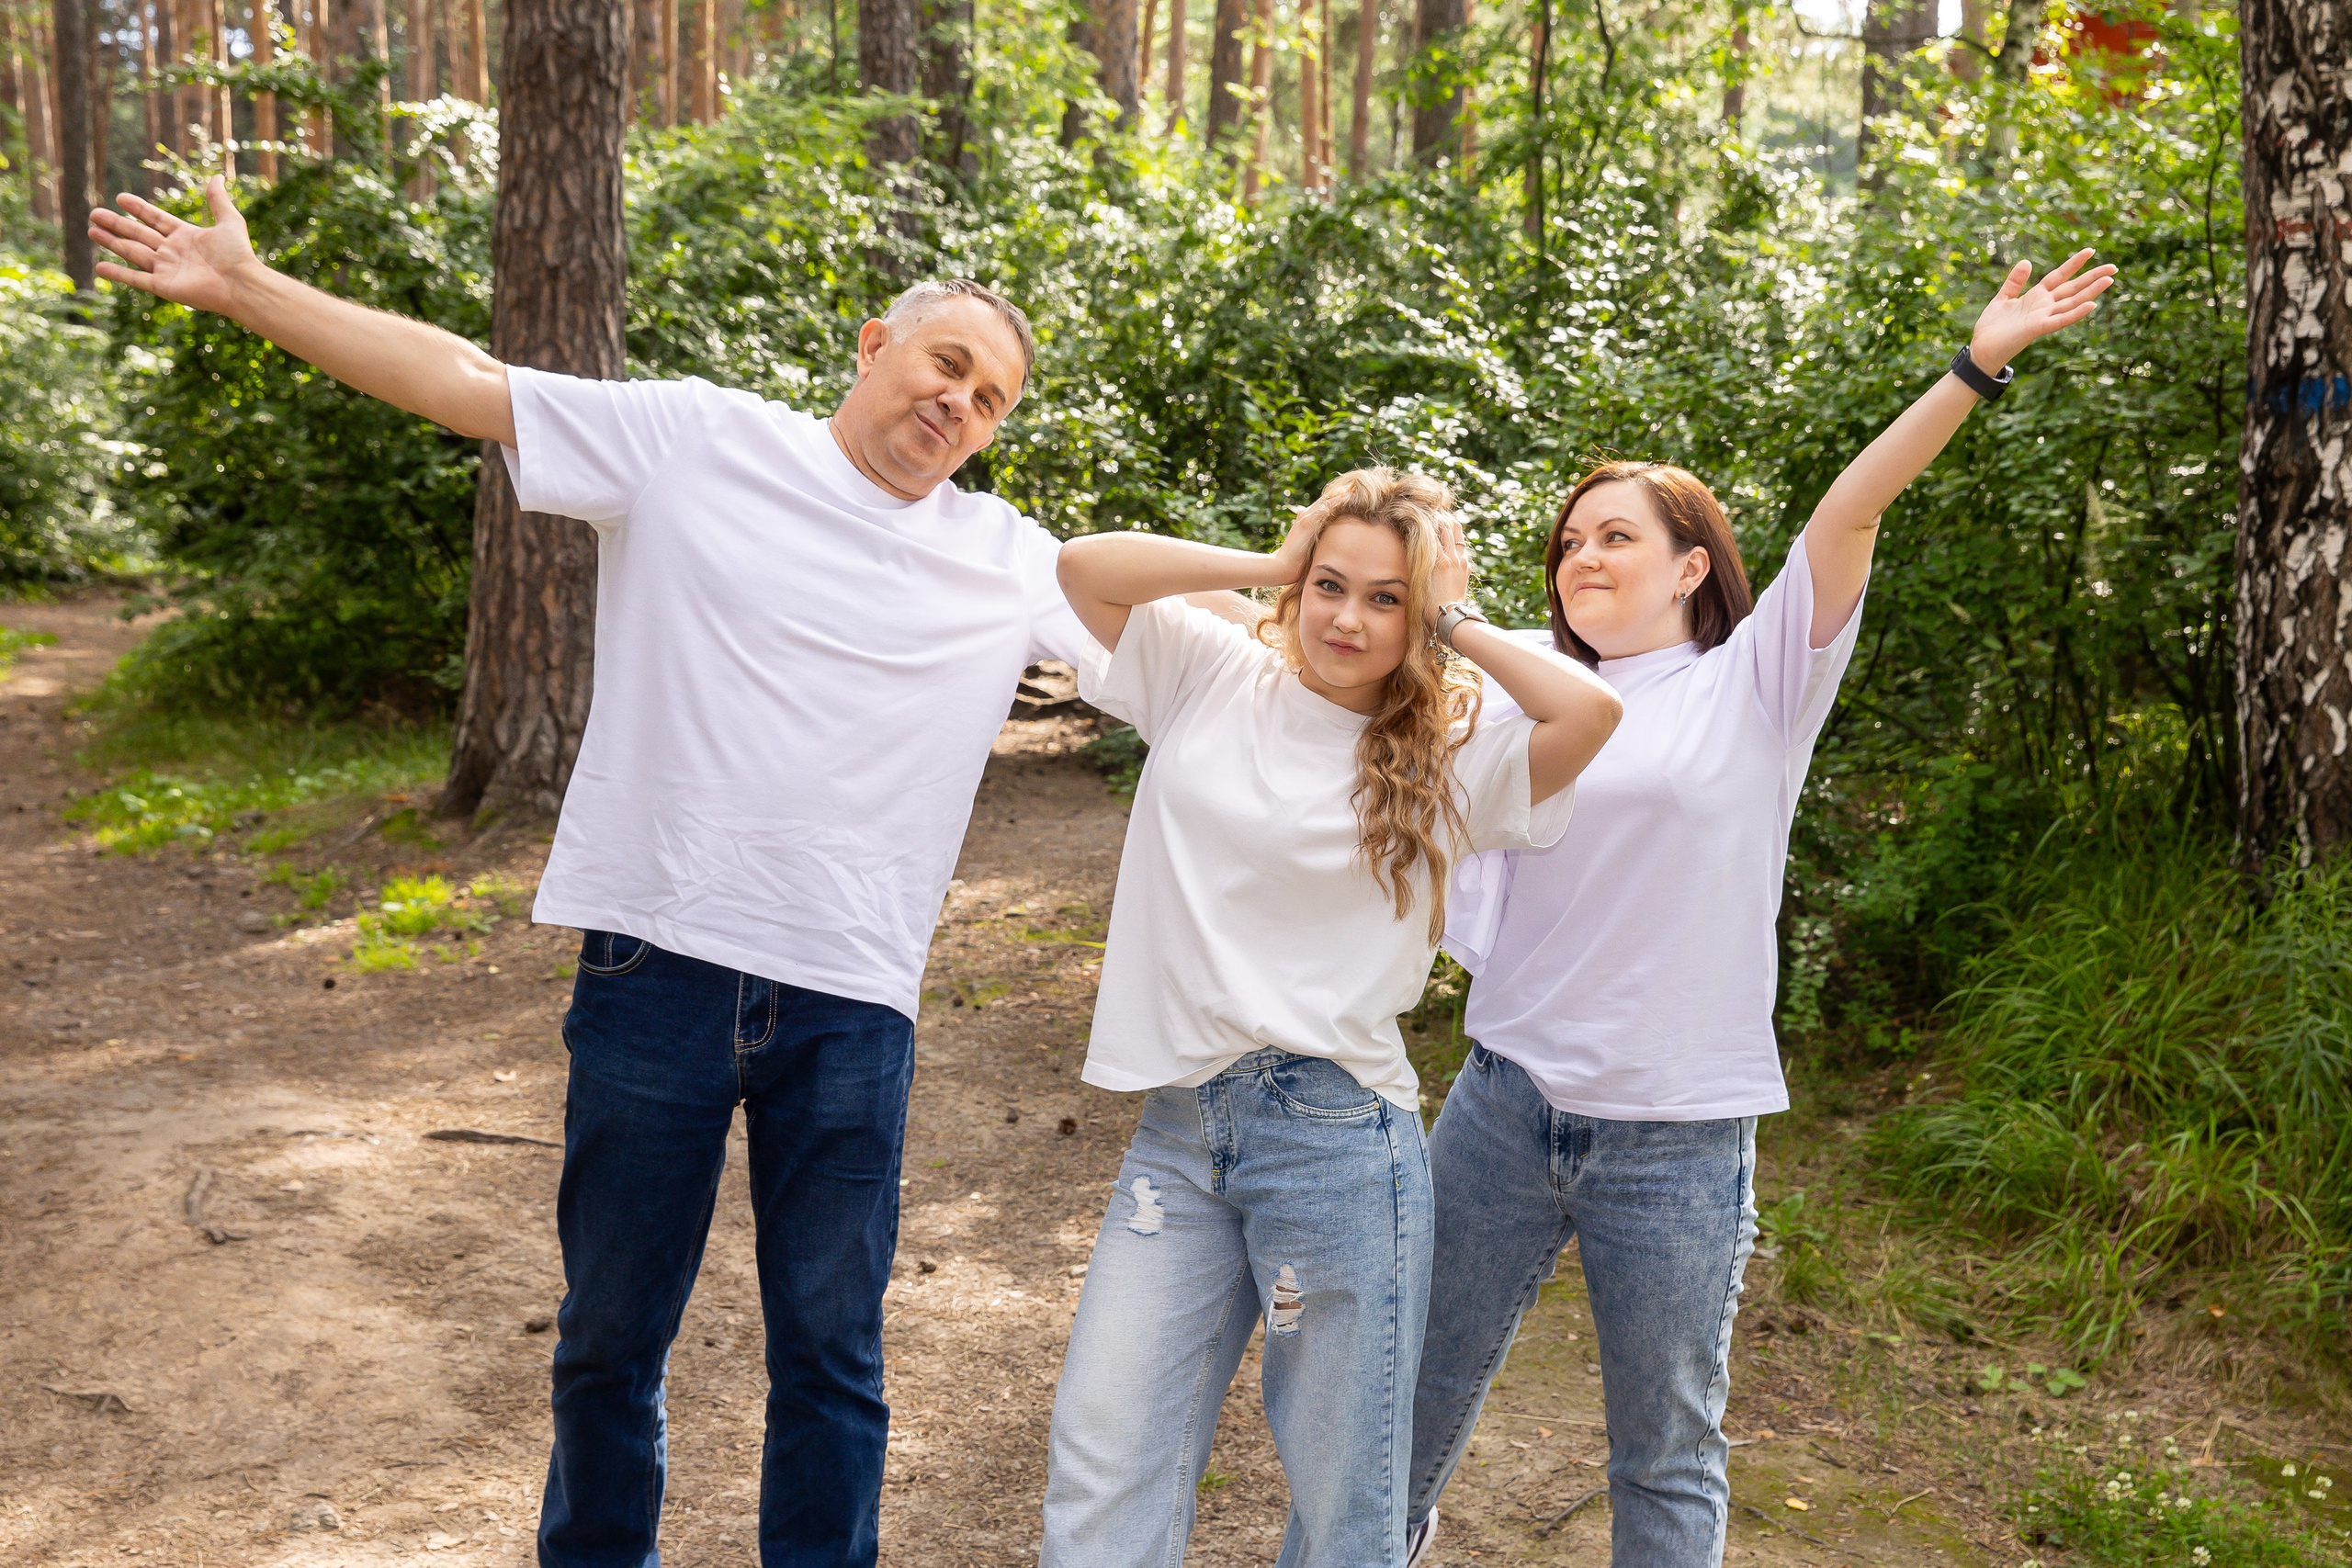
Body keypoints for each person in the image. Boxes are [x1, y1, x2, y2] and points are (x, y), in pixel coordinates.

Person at [89, 177, 1089, 1568]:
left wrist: (1368, 601)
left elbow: (1208, 648)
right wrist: (247, 288)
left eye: (992, 401)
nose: (960, 407)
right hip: (657, 963)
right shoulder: (698, 439)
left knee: (834, 1356)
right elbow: (465, 382)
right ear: (874, 344)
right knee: (610, 1338)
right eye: (948, 365)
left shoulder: (1009, 557)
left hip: (854, 996)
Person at [1402, 251, 2120, 1567]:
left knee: (1666, 1455)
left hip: (1677, 1137)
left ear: (1691, 568)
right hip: (1504, 1103)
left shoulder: (1755, 687)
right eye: (1568, 538)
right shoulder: (1518, 694)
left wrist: (1977, 363)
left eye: (1617, 533)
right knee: (1408, 1400)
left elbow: (1847, 514)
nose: (1582, 554)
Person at [1042, 468, 1624, 1568]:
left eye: (1385, 599)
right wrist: (1274, 560)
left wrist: (1452, 618)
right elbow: (1082, 566)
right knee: (1104, 1448)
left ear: (1421, 616)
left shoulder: (1453, 759)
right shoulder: (1209, 670)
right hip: (1180, 1131)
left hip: (1337, 1146)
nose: (1348, 619)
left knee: (1342, 1493)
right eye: (1329, 586)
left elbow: (1589, 710)